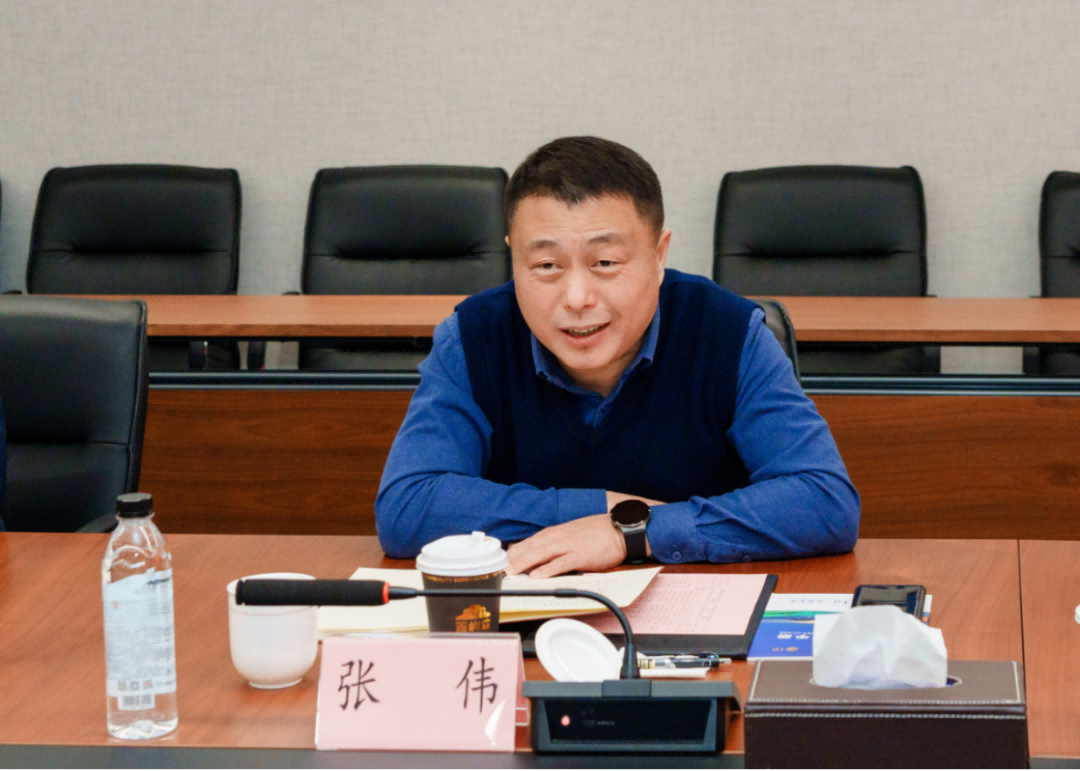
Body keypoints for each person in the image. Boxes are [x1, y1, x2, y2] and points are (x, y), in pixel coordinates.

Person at [376, 136, 859, 578]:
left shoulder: (729, 333)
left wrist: (632, 532)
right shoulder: (473, 337)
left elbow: (824, 501)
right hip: (529, 619)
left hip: (697, 613)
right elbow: (408, 507)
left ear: (659, 254)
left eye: (605, 263)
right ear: (513, 258)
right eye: (546, 265)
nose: (577, 298)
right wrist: (599, 509)